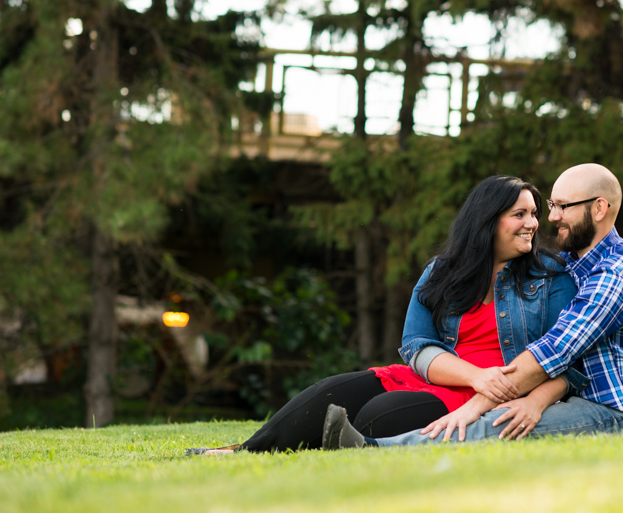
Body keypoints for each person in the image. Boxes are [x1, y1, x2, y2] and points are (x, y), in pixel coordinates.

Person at [185, 175, 577, 455]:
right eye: (519, 214)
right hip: (451, 377)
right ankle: (244, 451)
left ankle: (339, 448)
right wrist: (475, 375)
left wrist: (492, 389)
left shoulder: (551, 276)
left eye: (533, 214)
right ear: (488, 221)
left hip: (489, 396)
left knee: (378, 416)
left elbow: (563, 358)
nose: (532, 224)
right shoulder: (444, 271)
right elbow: (417, 344)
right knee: (328, 392)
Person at [322, 163, 623, 449]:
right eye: (552, 206)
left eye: (563, 207)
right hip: (583, 399)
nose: (550, 219)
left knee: (496, 425)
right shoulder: (578, 264)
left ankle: (374, 449)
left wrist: (476, 407)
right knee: (503, 418)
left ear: (599, 208)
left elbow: (549, 354)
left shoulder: (613, 276)